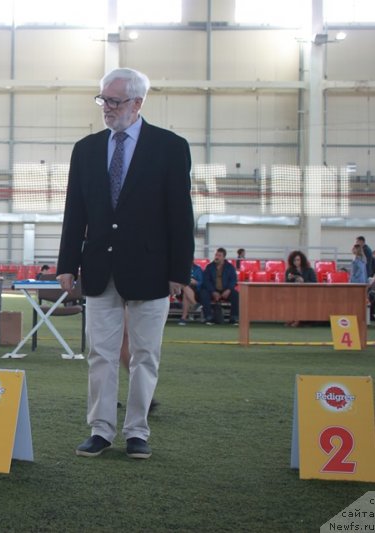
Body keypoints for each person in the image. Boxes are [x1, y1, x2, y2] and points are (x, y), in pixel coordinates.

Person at [56, 68, 194, 460]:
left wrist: (179, 273)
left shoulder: (170, 147)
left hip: (153, 271)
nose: (107, 107)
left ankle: (137, 432)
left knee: (145, 355)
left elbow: (181, 215)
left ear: (138, 103)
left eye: (114, 101)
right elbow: (74, 211)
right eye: (103, 99)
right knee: (100, 353)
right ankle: (100, 430)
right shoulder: (85, 149)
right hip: (99, 269)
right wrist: (67, 263)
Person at [199, 247, 239, 325]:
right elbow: (206, 281)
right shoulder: (209, 267)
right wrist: (213, 291)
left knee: (236, 295)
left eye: (219, 255)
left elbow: (233, 280)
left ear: (224, 257)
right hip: (212, 290)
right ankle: (208, 317)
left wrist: (228, 290)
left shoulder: (230, 267)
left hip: (226, 290)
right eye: (216, 255)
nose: (216, 257)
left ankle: (234, 318)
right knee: (203, 293)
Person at [284, 250, 317, 326]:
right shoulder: (289, 270)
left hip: (307, 293)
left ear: (302, 260)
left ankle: (297, 319)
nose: (296, 262)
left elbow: (314, 283)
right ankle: (291, 318)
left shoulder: (309, 270)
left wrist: (304, 281)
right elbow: (286, 283)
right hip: (293, 293)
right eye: (294, 260)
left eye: (298, 260)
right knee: (292, 299)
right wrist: (290, 279)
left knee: (300, 299)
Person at [178, 261, 203, 326]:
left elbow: (201, 282)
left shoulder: (198, 269)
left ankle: (183, 318)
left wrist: (196, 282)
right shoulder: (180, 268)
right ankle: (195, 304)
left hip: (194, 290)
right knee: (185, 286)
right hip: (180, 290)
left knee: (186, 294)